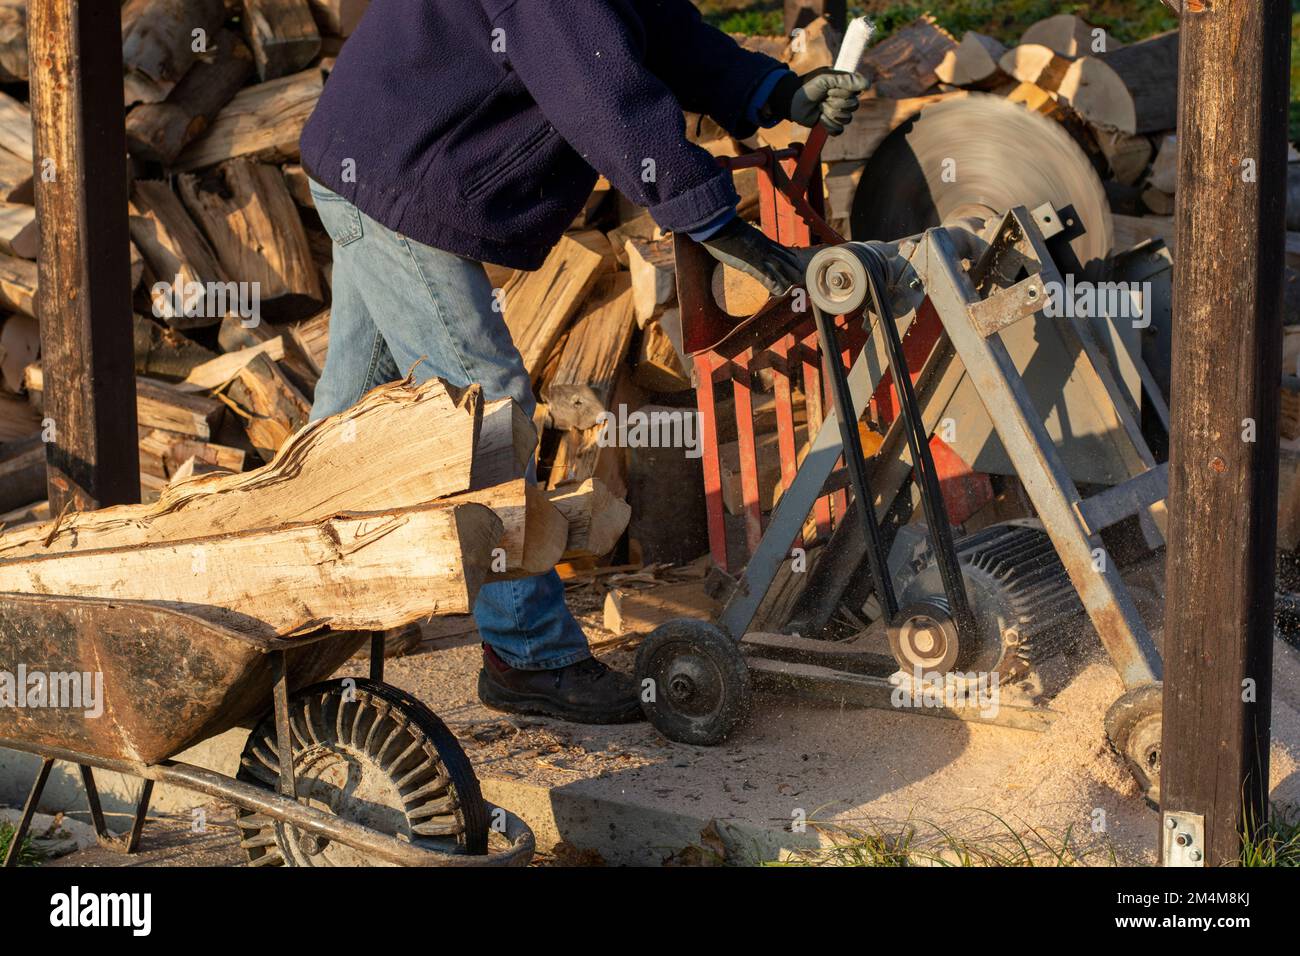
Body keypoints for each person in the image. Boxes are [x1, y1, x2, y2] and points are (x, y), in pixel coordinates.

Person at [299, 0, 866, 725]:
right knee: (486, 411)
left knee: (346, 423)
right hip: (397, 178)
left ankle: (276, 606)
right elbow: (599, 92)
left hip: (378, 159)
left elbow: (656, 30)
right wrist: (709, 217)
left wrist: (774, 90)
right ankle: (529, 656)